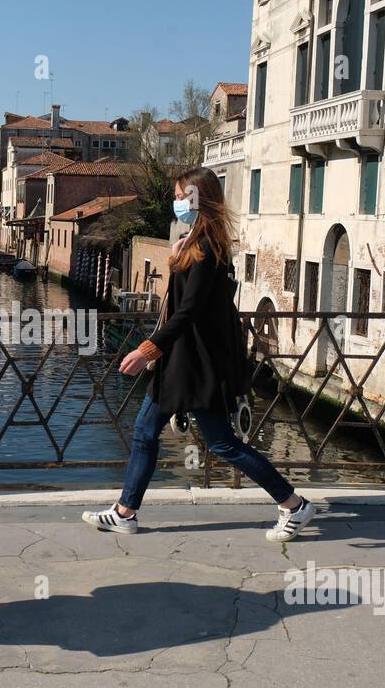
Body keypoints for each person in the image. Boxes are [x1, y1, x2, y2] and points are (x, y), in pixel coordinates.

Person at [82, 168, 316, 543]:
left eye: (179, 195)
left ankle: (294, 505)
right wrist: (174, 260)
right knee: (144, 433)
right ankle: (125, 512)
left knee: (223, 444)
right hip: (178, 362)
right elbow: (179, 303)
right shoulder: (196, 242)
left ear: (196, 198)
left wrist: (146, 350)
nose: (175, 202)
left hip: (195, 366)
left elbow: (188, 311)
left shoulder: (208, 249)